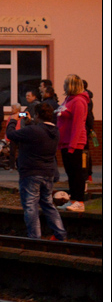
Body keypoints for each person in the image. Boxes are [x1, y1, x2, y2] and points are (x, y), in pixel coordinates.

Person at [6, 102, 67, 240]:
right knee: (48, 204)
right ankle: (60, 234)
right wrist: (30, 122)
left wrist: (14, 119)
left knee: (30, 206)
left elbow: (11, 134)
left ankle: (35, 237)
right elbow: (36, 134)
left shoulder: (33, 131)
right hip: (48, 173)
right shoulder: (55, 131)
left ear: (38, 115)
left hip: (31, 173)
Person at [55, 74, 90, 212]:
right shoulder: (68, 100)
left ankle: (80, 201)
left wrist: (73, 145)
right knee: (70, 173)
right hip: (65, 142)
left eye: (65, 83)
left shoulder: (79, 102)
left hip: (74, 143)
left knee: (77, 173)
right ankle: (73, 199)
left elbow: (77, 125)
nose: (63, 86)